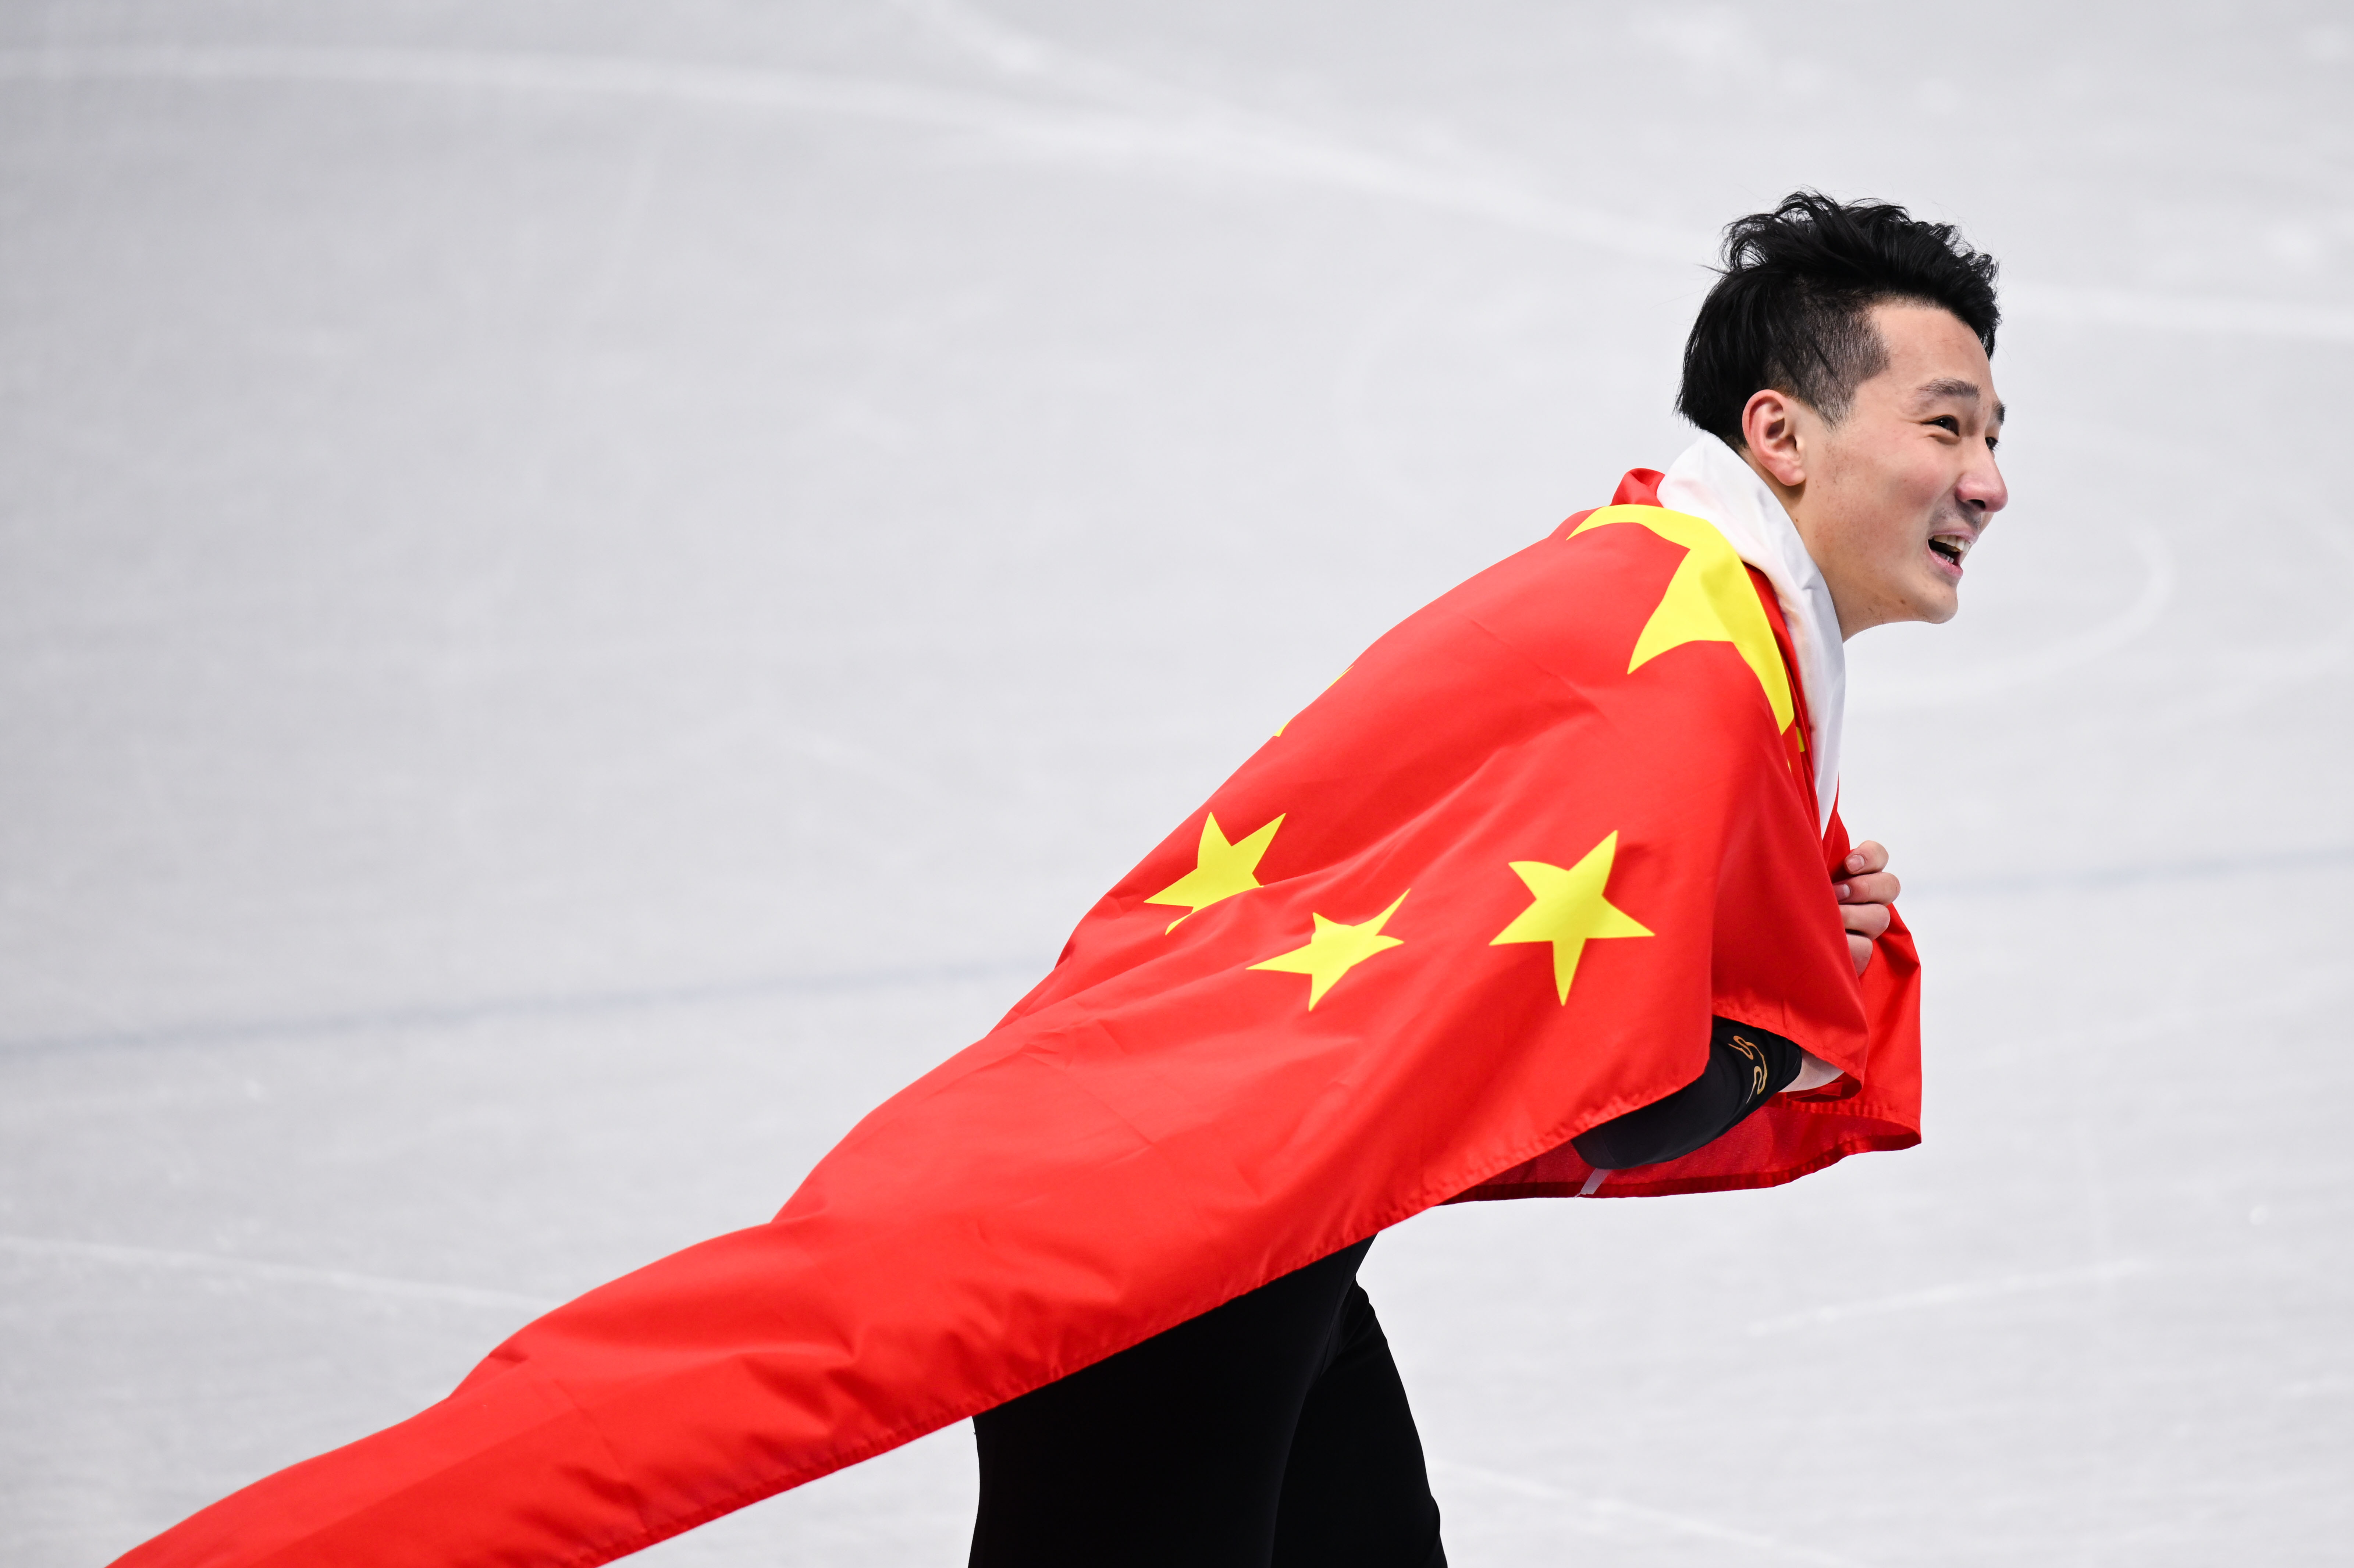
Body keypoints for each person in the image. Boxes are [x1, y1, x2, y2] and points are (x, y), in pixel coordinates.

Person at [114, 191, 2001, 1568]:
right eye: (1945, 423)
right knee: (622, 1440)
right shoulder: (1683, 661)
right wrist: (1764, 1018)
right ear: (1781, 429)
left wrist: (1759, 958)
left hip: (1238, 1217)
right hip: (1180, 1245)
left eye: (1993, 431)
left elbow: (1475, 1032)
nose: (1987, 478)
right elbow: (1625, 1089)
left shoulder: (1658, 602)